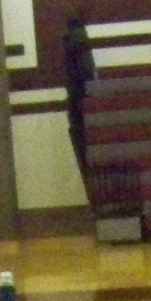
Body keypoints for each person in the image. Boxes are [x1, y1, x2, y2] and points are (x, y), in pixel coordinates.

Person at [62, 15, 96, 186]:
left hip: (74, 97)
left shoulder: (68, 44)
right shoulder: (83, 43)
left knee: (79, 138)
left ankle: (86, 175)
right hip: (83, 97)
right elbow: (88, 71)